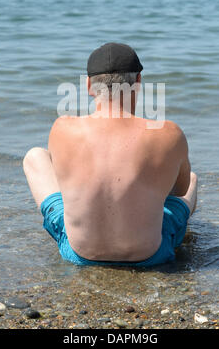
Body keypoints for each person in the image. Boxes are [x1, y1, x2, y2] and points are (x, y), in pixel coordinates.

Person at [23, 42, 198, 267]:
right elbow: (179, 191)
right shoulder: (168, 133)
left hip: (78, 253)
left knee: (35, 155)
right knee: (191, 180)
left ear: (88, 85)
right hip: (151, 256)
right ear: (138, 83)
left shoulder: (63, 127)